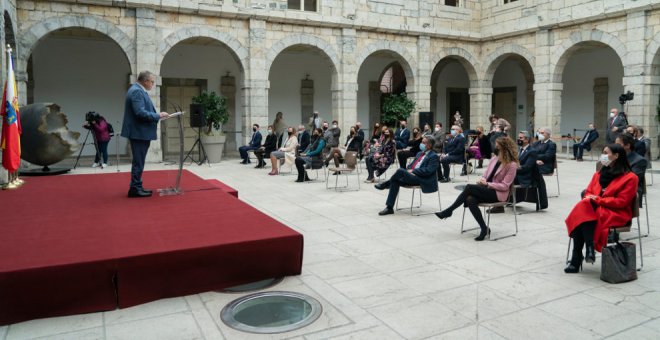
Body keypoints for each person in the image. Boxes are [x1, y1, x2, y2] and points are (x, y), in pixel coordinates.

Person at [564, 144, 638, 273]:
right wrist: (592, 199)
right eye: (602, 152)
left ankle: (577, 258)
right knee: (585, 209)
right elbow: (587, 193)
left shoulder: (631, 178)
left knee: (582, 215)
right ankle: (588, 248)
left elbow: (621, 202)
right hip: (594, 208)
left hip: (615, 212)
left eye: (606, 153)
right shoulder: (598, 174)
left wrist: (597, 200)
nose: (602, 156)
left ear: (616, 156)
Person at [435, 136, 519, 241]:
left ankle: (449, 211)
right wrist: (482, 180)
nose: (495, 148)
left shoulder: (512, 165)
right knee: (470, 199)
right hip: (486, 189)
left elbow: (505, 186)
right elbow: (485, 174)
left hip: (498, 194)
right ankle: (484, 228)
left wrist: (488, 184)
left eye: (498, 146)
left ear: (504, 148)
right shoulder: (494, 159)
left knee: (469, 187)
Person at [121, 71, 169, 198]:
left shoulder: (137, 89)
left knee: (139, 161)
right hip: (139, 133)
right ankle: (135, 188)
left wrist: (157, 116)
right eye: (152, 81)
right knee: (138, 161)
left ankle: (137, 186)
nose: (153, 84)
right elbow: (140, 113)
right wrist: (157, 115)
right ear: (145, 81)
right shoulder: (137, 91)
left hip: (139, 132)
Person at [375, 137, 440, 215]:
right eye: (421, 142)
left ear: (429, 145)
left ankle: (386, 184)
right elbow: (410, 166)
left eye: (423, 142)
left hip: (421, 179)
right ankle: (389, 208)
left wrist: (413, 171)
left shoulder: (434, 156)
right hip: (412, 176)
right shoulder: (419, 153)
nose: (421, 144)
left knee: (400, 170)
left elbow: (429, 170)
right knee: (395, 181)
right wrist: (409, 171)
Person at [615, 133, 647, 200]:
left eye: (618, 145)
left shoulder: (639, 161)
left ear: (627, 146)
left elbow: (632, 180)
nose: (615, 147)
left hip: (629, 190)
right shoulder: (615, 157)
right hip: (614, 186)